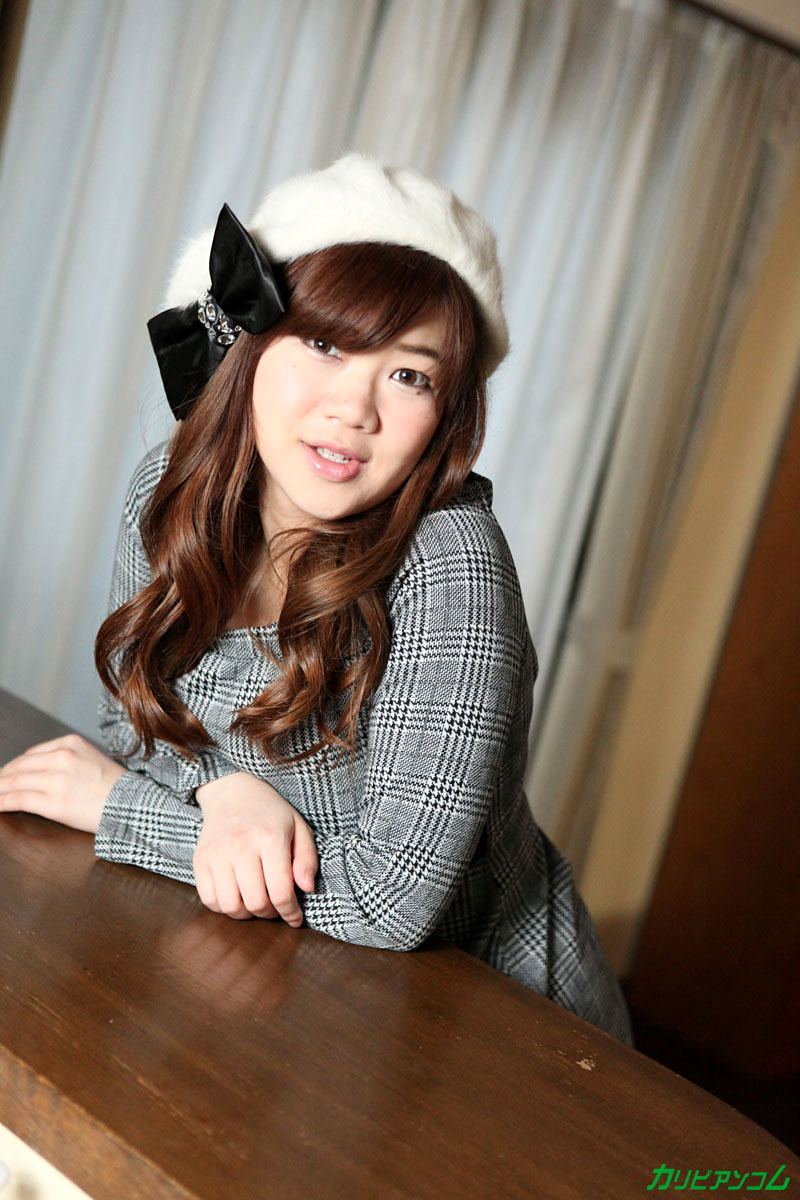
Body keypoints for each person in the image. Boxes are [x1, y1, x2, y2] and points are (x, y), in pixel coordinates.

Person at [0, 155, 632, 1043]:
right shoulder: (174, 493)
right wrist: (226, 794)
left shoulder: (451, 561)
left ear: (446, 411)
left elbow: (389, 901)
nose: (355, 408)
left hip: (489, 1023)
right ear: (250, 343)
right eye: (327, 345)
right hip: (283, 984)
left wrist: (125, 813)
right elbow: (135, 722)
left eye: (410, 376)